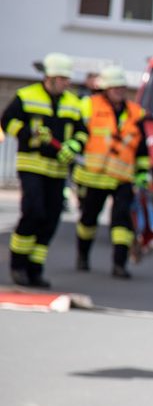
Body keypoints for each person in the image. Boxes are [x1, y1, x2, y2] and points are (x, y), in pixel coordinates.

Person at [1, 53, 87, 287]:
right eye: (63, 78)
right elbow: (7, 121)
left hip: (57, 171)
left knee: (50, 219)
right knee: (33, 212)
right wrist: (29, 133)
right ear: (50, 77)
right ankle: (18, 265)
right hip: (32, 165)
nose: (67, 83)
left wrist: (73, 145)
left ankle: (35, 270)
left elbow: (82, 132)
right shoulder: (26, 96)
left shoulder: (73, 102)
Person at [73, 65, 150, 279]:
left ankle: (119, 264)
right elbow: (79, 134)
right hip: (94, 175)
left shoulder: (136, 113)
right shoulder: (89, 106)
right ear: (105, 88)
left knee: (122, 222)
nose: (119, 91)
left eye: (122, 87)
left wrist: (143, 173)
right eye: (115, 87)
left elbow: (142, 149)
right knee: (88, 220)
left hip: (123, 177)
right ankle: (83, 255)